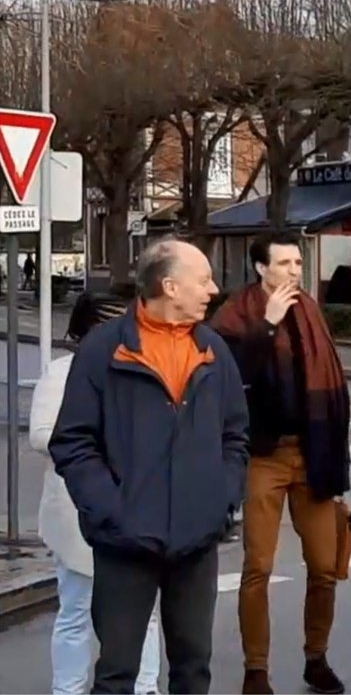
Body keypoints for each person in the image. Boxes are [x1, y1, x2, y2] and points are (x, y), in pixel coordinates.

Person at [50, 238, 248, 694]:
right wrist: (112, 509)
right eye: (203, 280)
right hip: (124, 544)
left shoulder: (214, 351)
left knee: (193, 669)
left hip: (196, 541)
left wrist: (220, 499)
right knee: (117, 673)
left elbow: (235, 436)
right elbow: (73, 442)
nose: (213, 289)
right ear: (169, 286)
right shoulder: (104, 351)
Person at [211, 231, 351, 695]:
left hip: (311, 452)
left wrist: (335, 465)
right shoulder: (237, 312)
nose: (294, 270)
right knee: (259, 565)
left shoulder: (310, 309)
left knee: (324, 564)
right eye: (285, 263)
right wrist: (267, 326)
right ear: (260, 268)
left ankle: (318, 657)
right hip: (263, 455)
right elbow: (227, 376)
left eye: (297, 261)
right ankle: (257, 670)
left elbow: (334, 389)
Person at [35, 289, 165, 695]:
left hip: (139, 509)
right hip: (79, 511)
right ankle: (68, 688)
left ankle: (144, 687)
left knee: (145, 613)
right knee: (76, 608)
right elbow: (43, 435)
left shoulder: (146, 369)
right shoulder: (63, 372)